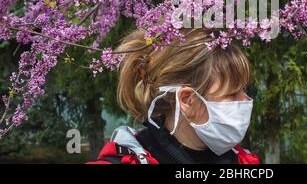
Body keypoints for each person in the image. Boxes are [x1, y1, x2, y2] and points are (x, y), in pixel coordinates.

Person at [88, 28, 260, 164]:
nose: (246, 100)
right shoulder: (125, 160)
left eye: (243, 89)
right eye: (231, 94)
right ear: (187, 100)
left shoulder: (243, 161)